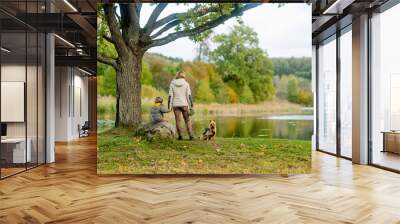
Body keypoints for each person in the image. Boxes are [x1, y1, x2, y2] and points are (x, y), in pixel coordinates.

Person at [168, 71, 194, 140]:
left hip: (175, 105)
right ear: (183, 76)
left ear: (177, 76)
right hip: (184, 104)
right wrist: (191, 106)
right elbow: (189, 96)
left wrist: (169, 107)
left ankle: (180, 136)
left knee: (178, 121)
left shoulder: (172, 84)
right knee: (187, 120)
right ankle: (191, 136)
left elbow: (170, 96)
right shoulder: (186, 84)